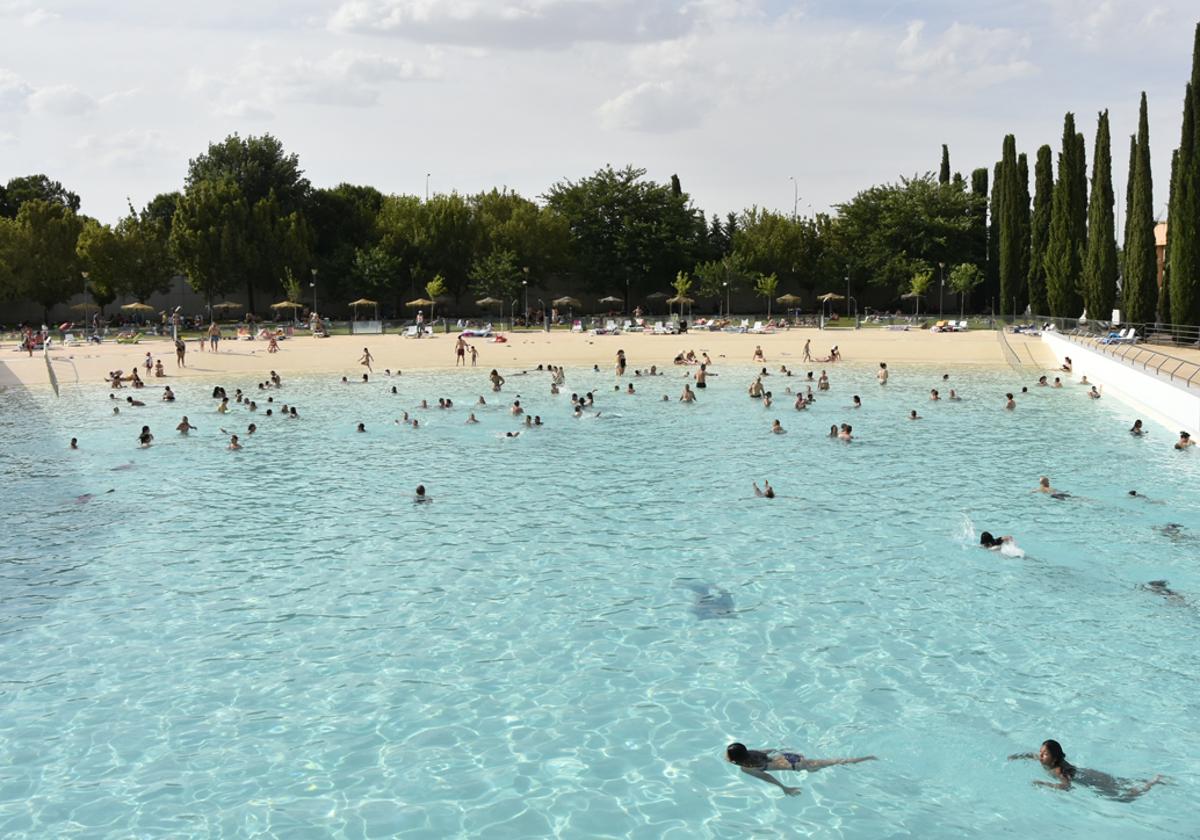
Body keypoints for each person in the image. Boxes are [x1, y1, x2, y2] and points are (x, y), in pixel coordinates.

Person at [1008, 740, 1165, 801]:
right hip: (1089, 772)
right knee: (1122, 782)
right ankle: (1153, 780)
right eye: (1041, 752)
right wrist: (1015, 757)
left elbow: (1066, 787)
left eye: (1045, 753)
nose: (1040, 755)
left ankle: (1153, 782)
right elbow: (1031, 755)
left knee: (1123, 798)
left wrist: (1042, 783)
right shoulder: (1046, 759)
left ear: (1054, 758)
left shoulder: (1058, 771)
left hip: (1090, 779)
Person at [724, 743, 875, 796]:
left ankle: (865, 759)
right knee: (827, 763)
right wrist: (782, 749)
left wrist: (784, 788)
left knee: (835, 762)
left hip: (794, 766)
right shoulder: (753, 752)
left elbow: (768, 778)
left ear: (734, 759)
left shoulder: (746, 768)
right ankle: (862, 759)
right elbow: (770, 750)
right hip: (789, 757)